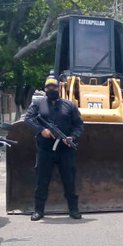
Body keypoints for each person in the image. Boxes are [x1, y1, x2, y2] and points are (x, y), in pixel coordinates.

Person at [24, 75, 84, 221]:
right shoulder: (38, 104)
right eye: (49, 87)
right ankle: (38, 211)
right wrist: (41, 130)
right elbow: (28, 118)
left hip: (65, 150)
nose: (51, 89)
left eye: (54, 86)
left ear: (59, 88)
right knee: (42, 181)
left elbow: (79, 125)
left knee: (69, 181)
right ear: (45, 88)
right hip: (45, 150)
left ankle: (74, 210)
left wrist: (72, 137)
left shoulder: (69, 105)